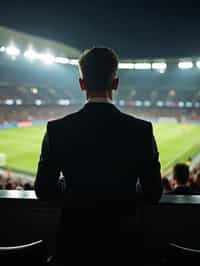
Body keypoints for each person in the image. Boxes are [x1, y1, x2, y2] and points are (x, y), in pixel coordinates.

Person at [34, 47, 162, 264]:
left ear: (82, 84)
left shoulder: (57, 129)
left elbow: (43, 190)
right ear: (116, 84)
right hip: (126, 246)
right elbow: (153, 193)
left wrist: (68, 185)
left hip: (74, 246)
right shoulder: (141, 130)